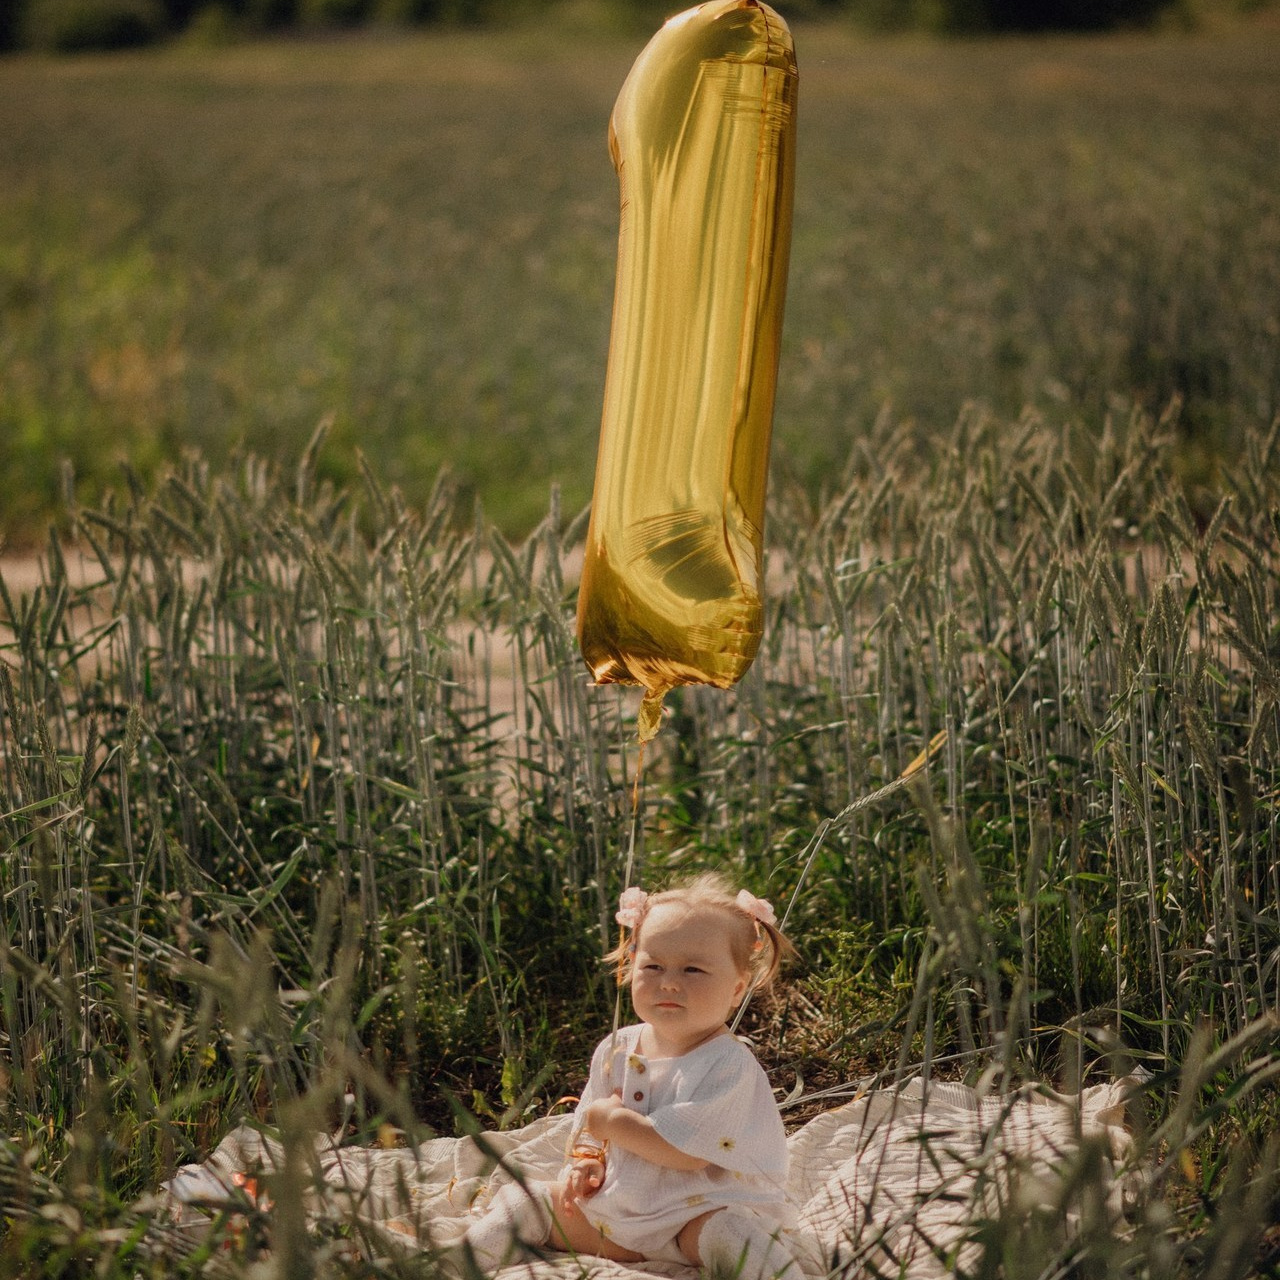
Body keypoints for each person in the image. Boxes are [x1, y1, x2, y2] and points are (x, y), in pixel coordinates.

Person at [457, 873, 803, 1279]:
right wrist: (587, 1163)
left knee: (730, 1231)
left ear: (736, 989)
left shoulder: (728, 1064)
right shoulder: (617, 1048)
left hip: (692, 1220)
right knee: (526, 1199)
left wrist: (614, 1123)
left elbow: (684, 1153)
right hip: (616, 1217)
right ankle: (454, 1261)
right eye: (652, 966)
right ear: (630, 968)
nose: (669, 981)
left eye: (693, 970)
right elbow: (589, 1127)